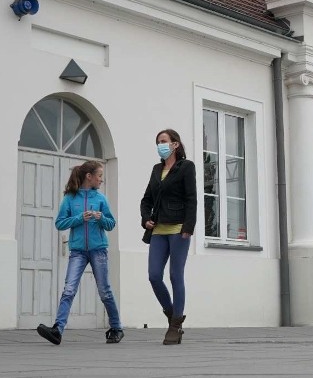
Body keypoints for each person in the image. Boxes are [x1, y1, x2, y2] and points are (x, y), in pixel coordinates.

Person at [37, 161, 124, 345]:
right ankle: (57, 330)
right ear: (89, 176)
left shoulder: (100, 199)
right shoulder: (70, 198)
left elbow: (111, 224)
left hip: (98, 250)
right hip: (78, 251)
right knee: (69, 289)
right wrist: (78, 218)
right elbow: (60, 223)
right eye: (99, 176)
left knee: (105, 291)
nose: (102, 179)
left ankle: (116, 328)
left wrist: (101, 218)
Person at [141, 128, 197, 345]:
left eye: (163, 141)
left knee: (175, 275)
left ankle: (174, 327)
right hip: (158, 230)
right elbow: (146, 199)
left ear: (175, 144)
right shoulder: (156, 169)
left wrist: (189, 226)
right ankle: (174, 315)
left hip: (178, 228)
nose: (160, 145)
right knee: (154, 276)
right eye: (158, 142)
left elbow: (191, 198)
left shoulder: (186, 166)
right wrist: (145, 218)